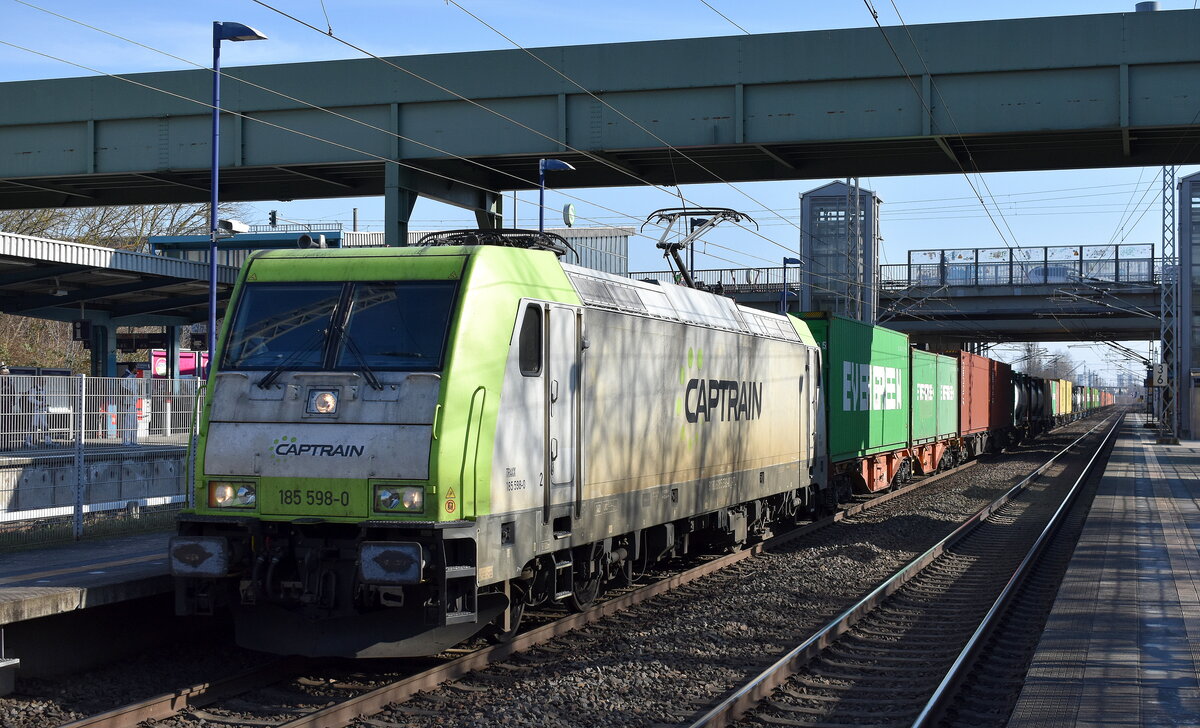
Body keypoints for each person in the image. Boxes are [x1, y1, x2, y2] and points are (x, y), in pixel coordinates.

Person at [25, 377, 50, 447]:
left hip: (42, 410)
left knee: (45, 425)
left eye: (45, 381)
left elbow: (44, 400)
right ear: (39, 381)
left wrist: (46, 408)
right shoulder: (33, 389)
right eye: (43, 381)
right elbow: (30, 399)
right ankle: (29, 441)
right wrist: (39, 403)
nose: (44, 383)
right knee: (34, 425)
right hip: (35, 410)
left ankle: (48, 440)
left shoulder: (44, 390)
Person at [120, 364, 139, 446]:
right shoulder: (126, 377)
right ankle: (126, 441)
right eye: (136, 368)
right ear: (133, 368)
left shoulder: (133, 377)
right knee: (127, 422)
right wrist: (127, 398)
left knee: (134, 423)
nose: (137, 369)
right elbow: (122, 389)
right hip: (127, 403)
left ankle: (133, 440)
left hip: (133, 403)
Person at [0, 365, 14, 449]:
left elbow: (13, 392)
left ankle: (6, 445)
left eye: (7, 369)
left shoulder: (10, 381)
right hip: (0, 405)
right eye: (4, 369)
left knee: (7, 426)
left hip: (8, 406)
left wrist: (12, 402)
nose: (6, 371)